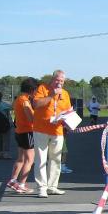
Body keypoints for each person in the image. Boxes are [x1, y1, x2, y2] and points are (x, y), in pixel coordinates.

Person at [32, 70, 71, 198]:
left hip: (57, 130)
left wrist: (69, 122)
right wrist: (51, 95)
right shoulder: (42, 88)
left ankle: (52, 186)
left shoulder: (65, 93)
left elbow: (68, 111)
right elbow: (36, 104)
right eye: (57, 80)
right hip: (41, 129)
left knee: (56, 159)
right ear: (52, 79)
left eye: (62, 81)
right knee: (41, 159)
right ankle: (41, 188)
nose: (59, 83)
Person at [6, 79, 37, 193]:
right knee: (30, 160)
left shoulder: (18, 99)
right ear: (32, 89)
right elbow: (31, 119)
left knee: (21, 159)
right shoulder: (25, 101)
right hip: (27, 132)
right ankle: (21, 184)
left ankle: (13, 180)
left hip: (19, 131)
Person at [0, 91, 12, 159]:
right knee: (6, 139)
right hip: (4, 124)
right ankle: (5, 154)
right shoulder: (3, 104)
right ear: (1, 97)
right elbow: (11, 108)